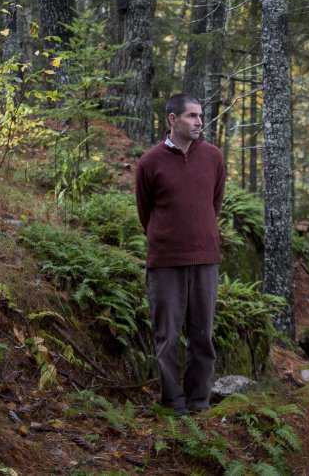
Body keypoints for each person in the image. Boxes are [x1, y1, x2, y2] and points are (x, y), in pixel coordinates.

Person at [134, 93, 226, 414]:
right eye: (191, 116)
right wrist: (168, 240)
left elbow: (214, 204)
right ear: (173, 120)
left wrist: (200, 236)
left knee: (203, 335)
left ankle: (200, 402)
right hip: (166, 262)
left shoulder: (213, 157)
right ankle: (174, 404)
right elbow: (146, 212)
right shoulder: (149, 162)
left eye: (200, 115)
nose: (199, 122)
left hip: (205, 260)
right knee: (167, 337)